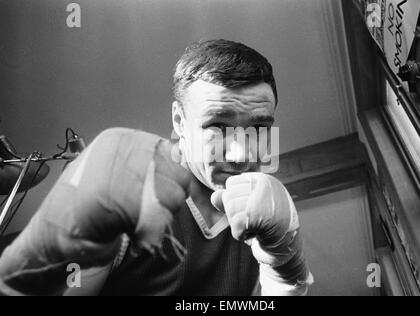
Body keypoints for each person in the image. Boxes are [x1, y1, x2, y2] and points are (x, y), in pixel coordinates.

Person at [0, 39, 313, 296]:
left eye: (258, 128)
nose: (239, 153)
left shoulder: (264, 207)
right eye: (217, 125)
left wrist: (285, 274)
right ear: (179, 121)